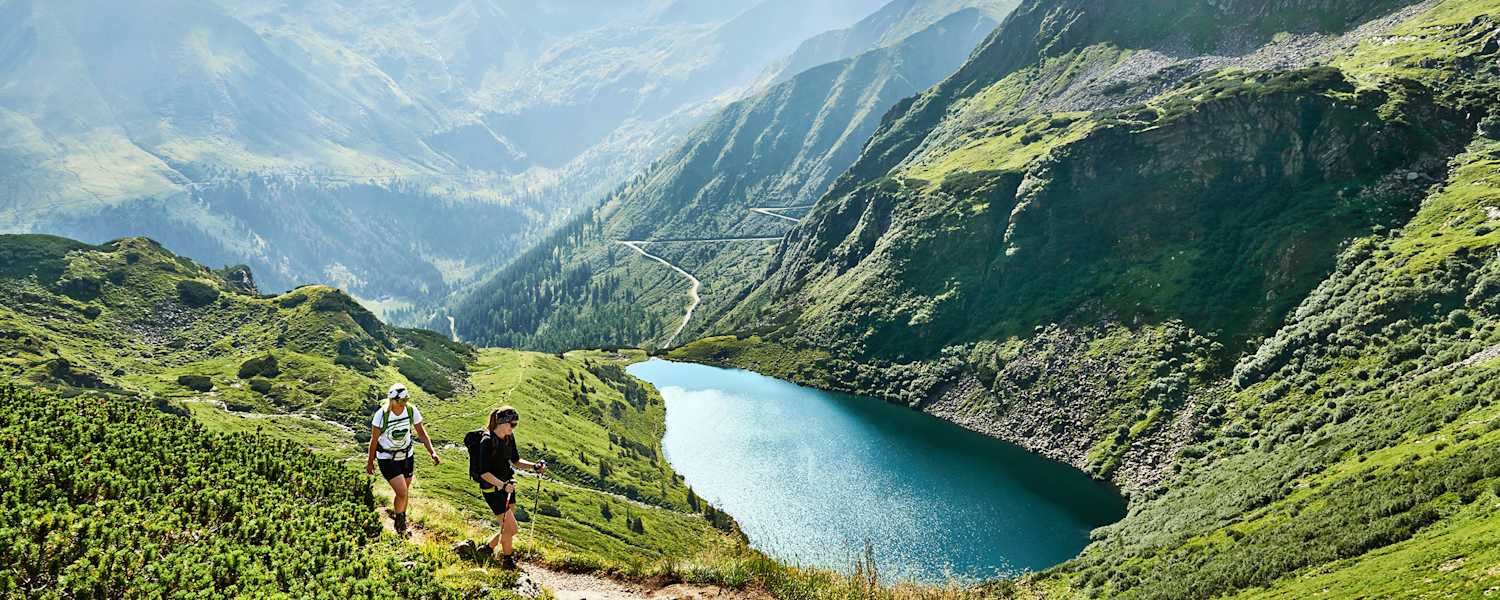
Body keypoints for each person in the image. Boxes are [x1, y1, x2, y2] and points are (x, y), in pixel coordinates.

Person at [365, 383, 440, 536]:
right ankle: (400, 527)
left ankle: (401, 520)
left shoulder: (411, 410)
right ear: (392, 400)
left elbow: (421, 433)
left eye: (406, 400)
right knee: (402, 492)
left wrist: (432, 452)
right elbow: (374, 440)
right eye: (401, 401)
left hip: (406, 456)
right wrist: (370, 461)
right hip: (387, 458)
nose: (404, 404)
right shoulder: (381, 415)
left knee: (404, 492)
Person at [476, 405, 545, 569]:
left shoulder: (509, 437)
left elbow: (516, 461)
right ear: (502, 422)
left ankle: (487, 549)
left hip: (508, 486)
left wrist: (534, 466)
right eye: (512, 424)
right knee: (512, 528)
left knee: (506, 527)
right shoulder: (487, 441)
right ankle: (507, 561)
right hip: (493, 490)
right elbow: (483, 473)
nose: (514, 428)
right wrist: (502, 486)